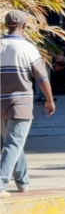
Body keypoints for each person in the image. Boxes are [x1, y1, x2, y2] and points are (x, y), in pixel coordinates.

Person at [0, 11, 56, 198]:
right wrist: (49, 100)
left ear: (7, 25)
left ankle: (23, 182)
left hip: (0, 104)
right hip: (20, 103)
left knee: (14, 143)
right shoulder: (28, 49)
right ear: (24, 26)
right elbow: (42, 77)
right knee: (14, 144)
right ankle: (1, 183)